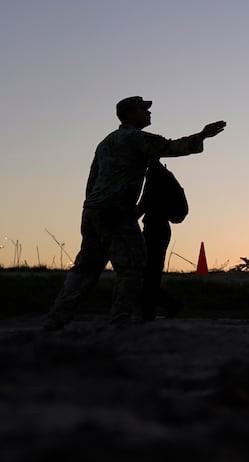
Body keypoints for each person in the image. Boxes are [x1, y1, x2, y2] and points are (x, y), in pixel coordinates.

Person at [43, 96, 226, 330]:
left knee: (85, 268)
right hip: (117, 212)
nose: (149, 113)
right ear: (130, 114)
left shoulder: (105, 142)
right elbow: (171, 147)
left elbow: (92, 180)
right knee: (132, 266)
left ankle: (57, 317)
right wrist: (203, 135)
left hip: (93, 211)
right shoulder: (136, 138)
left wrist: (92, 207)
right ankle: (121, 320)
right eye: (143, 109)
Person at [137, 159, 184, 320]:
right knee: (150, 272)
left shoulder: (155, 176)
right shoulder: (160, 174)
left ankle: (158, 308)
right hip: (158, 228)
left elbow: (144, 203)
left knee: (148, 272)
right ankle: (153, 310)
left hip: (155, 229)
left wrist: (129, 217)